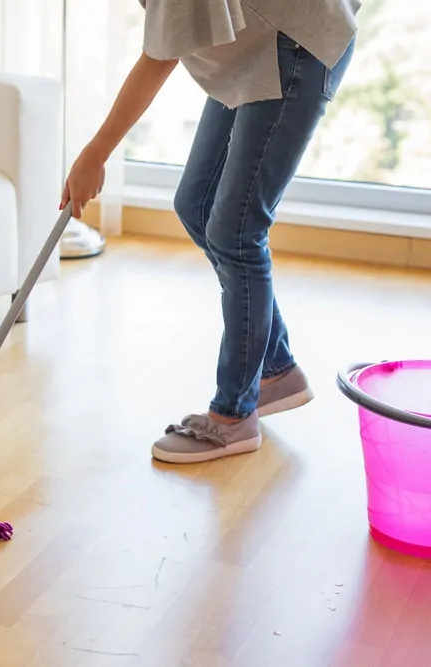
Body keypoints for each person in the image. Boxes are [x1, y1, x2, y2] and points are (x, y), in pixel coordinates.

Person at [61, 0, 361, 464]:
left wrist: (95, 153)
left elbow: (160, 56)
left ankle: (234, 417)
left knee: (237, 230)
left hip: (293, 45)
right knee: (197, 204)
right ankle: (276, 371)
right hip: (251, 46)